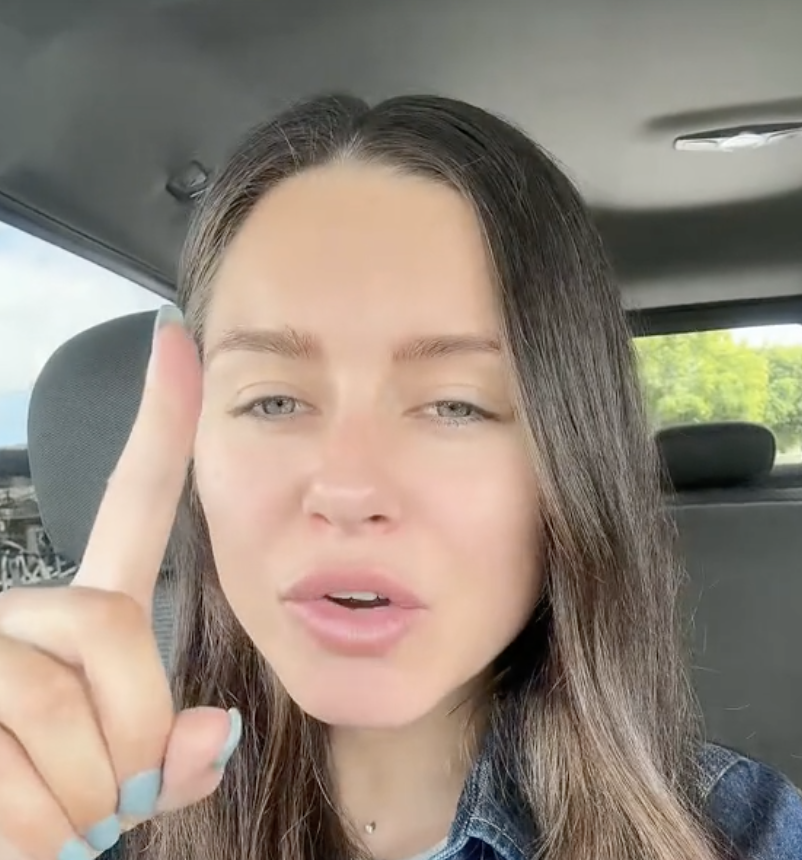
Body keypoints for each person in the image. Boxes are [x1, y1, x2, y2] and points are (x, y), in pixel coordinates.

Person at [0, 94, 800, 860]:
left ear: (571, 461)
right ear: (194, 454)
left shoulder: (743, 834)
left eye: (455, 406)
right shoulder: (69, 819)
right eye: (273, 400)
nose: (348, 491)